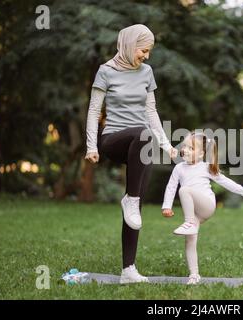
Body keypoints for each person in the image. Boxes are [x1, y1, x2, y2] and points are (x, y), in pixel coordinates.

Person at [84, 24, 177, 284]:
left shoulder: (146, 72)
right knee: (140, 134)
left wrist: (167, 145)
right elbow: (93, 111)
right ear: (129, 45)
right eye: (143, 51)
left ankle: (128, 270)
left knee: (133, 209)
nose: (146, 56)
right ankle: (131, 200)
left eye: (148, 52)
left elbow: (151, 113)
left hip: (143, 143)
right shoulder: (105, 72)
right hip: (114, 138)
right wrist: (92, 146)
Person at [161, 131, 243, 284]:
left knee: (185, 190)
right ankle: (194, 275)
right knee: (190, 240)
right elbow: (170, 187)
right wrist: (166, 206)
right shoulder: (179, 168)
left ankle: (189, 223)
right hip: (195, 213)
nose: (185, 150)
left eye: (191, 148)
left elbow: (224, 181)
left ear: (201, 154)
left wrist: (242, 190)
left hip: (207, 206)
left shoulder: (205, 167)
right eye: (184, 146)